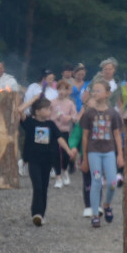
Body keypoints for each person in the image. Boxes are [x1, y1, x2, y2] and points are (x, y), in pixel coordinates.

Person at [20, 96, 76, 226]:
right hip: (33, 160)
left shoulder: (50, 124)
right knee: (37, 186)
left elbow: (59, 138)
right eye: (46, 109)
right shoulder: (30, 123)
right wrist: (33, 100)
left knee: (44, 187)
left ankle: (42, 214)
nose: (49, 111)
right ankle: (36, 213)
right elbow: (19, 111)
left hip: (47, 160)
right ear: (38, 111)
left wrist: (68, 150)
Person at [79, 79, 124, 229]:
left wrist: (120, 155)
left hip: (109, 152)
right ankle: (95, 214)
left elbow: (117, 135)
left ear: (107, 93)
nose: (94, 93)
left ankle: (107, 205)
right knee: (96, 181)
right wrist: (85, 158)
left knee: (112, 182)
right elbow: (85, 136)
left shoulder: (113, 113)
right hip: (94, 152)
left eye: (98, 90)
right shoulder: (89, 113)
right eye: (93, 91)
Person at [50, 79, 78, 188]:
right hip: (54, 131)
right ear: (57, 90)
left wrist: (70, 117)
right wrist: (54, 117)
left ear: (67, 91)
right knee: (55, 154)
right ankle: (58, 177)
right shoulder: (52, 102)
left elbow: (75, 117)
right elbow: (47, 115)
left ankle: (65, 170)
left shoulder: (70, 103)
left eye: (64, 89)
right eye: (60, 89)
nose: (62, 91)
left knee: (66, 154)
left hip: (65, 130)